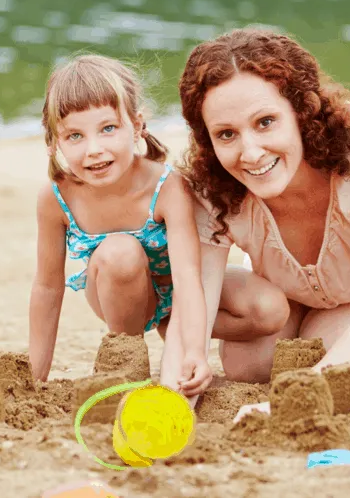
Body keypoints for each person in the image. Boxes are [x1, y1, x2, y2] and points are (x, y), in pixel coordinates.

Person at [179, 27, 350, 416]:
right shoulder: (211, 182)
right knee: (247, 361)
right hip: (297, 300)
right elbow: (198, 299)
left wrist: (289, 402)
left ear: (302, 112)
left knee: (345, 343)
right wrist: (181, 382)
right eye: (226, 134)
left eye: (266, 122)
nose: (250, 153)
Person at [29, 54, 213, 398]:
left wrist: (195, 352)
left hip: (176, 298)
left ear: (138, 125)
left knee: (265, 308)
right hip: (119, 293)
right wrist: (35, 377)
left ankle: (178, 337)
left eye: (108, 129)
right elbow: (47, 289)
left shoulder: (167, 186)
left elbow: (189, 276)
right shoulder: (56, 198)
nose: (94, 150)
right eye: (74, 136)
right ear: (54, 142)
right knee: (119, 253)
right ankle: (127, 359)